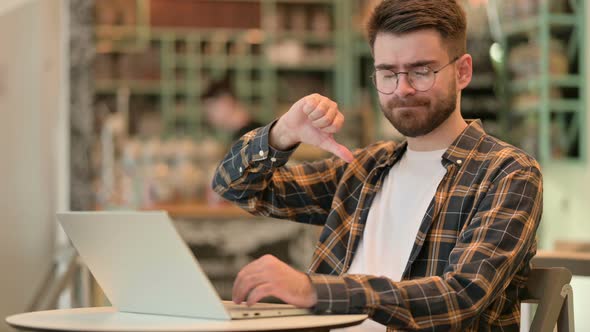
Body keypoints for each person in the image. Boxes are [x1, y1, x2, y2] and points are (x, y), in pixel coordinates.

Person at [211, 0, 543, 330]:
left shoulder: (507, 173)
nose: (403, 89)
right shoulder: (365, 168)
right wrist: (282, 133)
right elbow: (236, 187)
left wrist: (311, 290)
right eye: (388, 73)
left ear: (462, 71)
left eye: (421, 71)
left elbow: (462, 297)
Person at [201, 77, 263, 141]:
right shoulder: (255, 132)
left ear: (226, 101)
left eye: (212, 109)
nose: (209, 117)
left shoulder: (250, 135)